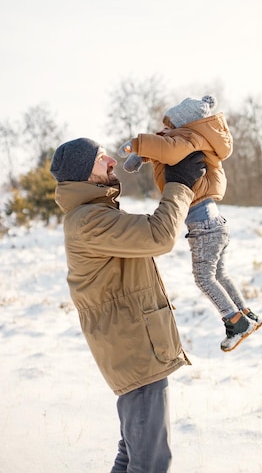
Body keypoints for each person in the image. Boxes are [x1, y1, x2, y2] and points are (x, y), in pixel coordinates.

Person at [50, 136, 206, 473]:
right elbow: (159, 235)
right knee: (150, 462)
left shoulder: (95, 214)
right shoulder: (89, 220)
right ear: (83, 174)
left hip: (135, 346)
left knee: (134, 455)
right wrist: (179, 184)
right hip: (134, 349)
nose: (111, 163)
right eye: (101, 159)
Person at [118, 94, 262, 353]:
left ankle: (235, 321)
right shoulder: (193, 139)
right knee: (219, 274)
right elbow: (164, 151)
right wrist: (141, 156)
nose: (167, 129)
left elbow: (168, 150)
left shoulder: (189, 139)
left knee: (204, 278)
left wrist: (136, 144)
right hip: (214, 222)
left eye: (171, 125)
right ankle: (246, 314)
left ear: (185, 124)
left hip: (204, 226)